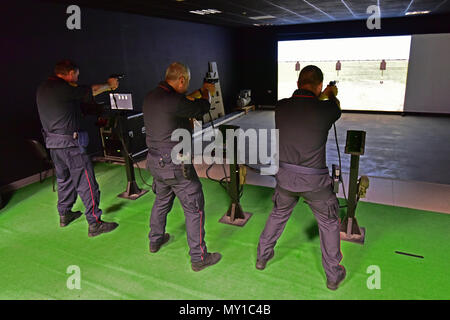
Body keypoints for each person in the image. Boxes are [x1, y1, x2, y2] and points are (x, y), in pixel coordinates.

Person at [256, 65, 346, 290]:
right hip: (315, 183)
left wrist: (318, 94)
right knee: (329, 222)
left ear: (297, 84)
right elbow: (335, 108)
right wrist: (330, 94)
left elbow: (304, 103)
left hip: (285, 179)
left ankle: (262, 257)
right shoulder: (326, 110)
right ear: (318, 86)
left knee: (278, 214)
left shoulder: (281, 106)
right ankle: (333, 275)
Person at [143, 62, 221, 271]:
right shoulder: (174, 101)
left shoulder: (151, 96)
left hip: (154, 162)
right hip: (175, 164)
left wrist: (197, 92)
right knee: (194, 207)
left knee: (161, 201)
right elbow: (201, 109)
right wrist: (207, 93)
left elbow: (182, 101)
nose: (187, 86)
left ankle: (155, 239)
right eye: (186, 83)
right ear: (181, 80)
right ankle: (199, 257)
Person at [36, 60, 119, 237]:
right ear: (70, 73)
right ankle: (94, 223)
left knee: (64, 179)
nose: (77, 78)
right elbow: (91, 90)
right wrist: (109, 85)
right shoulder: (63, 88)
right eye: (76, 75)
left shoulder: (44, 87)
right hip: (70, 145)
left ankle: (64, 214)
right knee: (86, 182)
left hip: (53, 145)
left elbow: (67, 106)